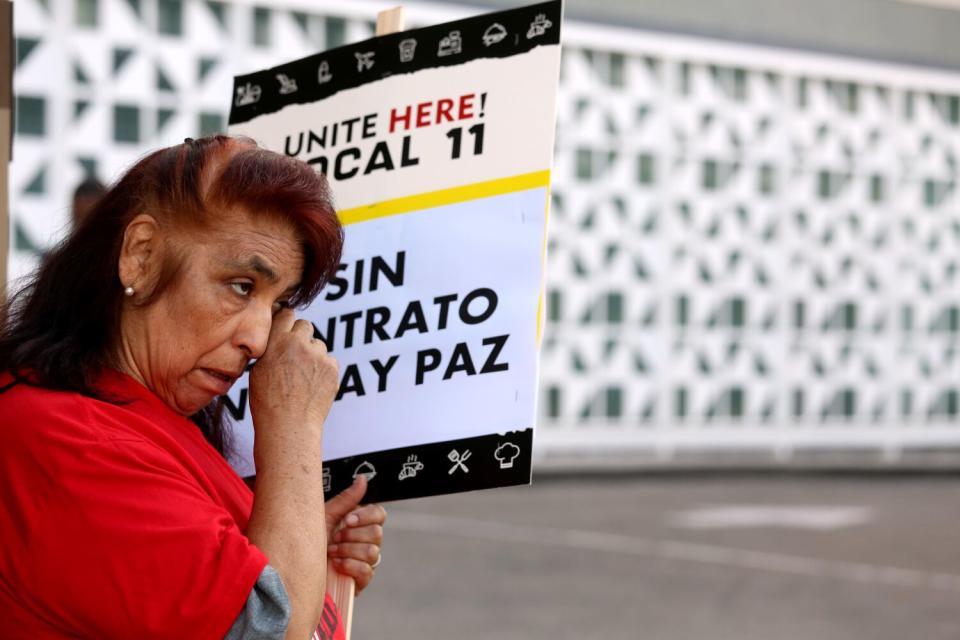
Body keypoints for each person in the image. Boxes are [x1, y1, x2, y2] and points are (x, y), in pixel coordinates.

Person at [0, 135, 386, 639]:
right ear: (141, 255)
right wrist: (293, 424)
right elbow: (272, 629)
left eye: (275, 305)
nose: (258, 339)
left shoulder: (150, 416)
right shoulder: (66, 438)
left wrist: (305, 538)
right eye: (241, 286)